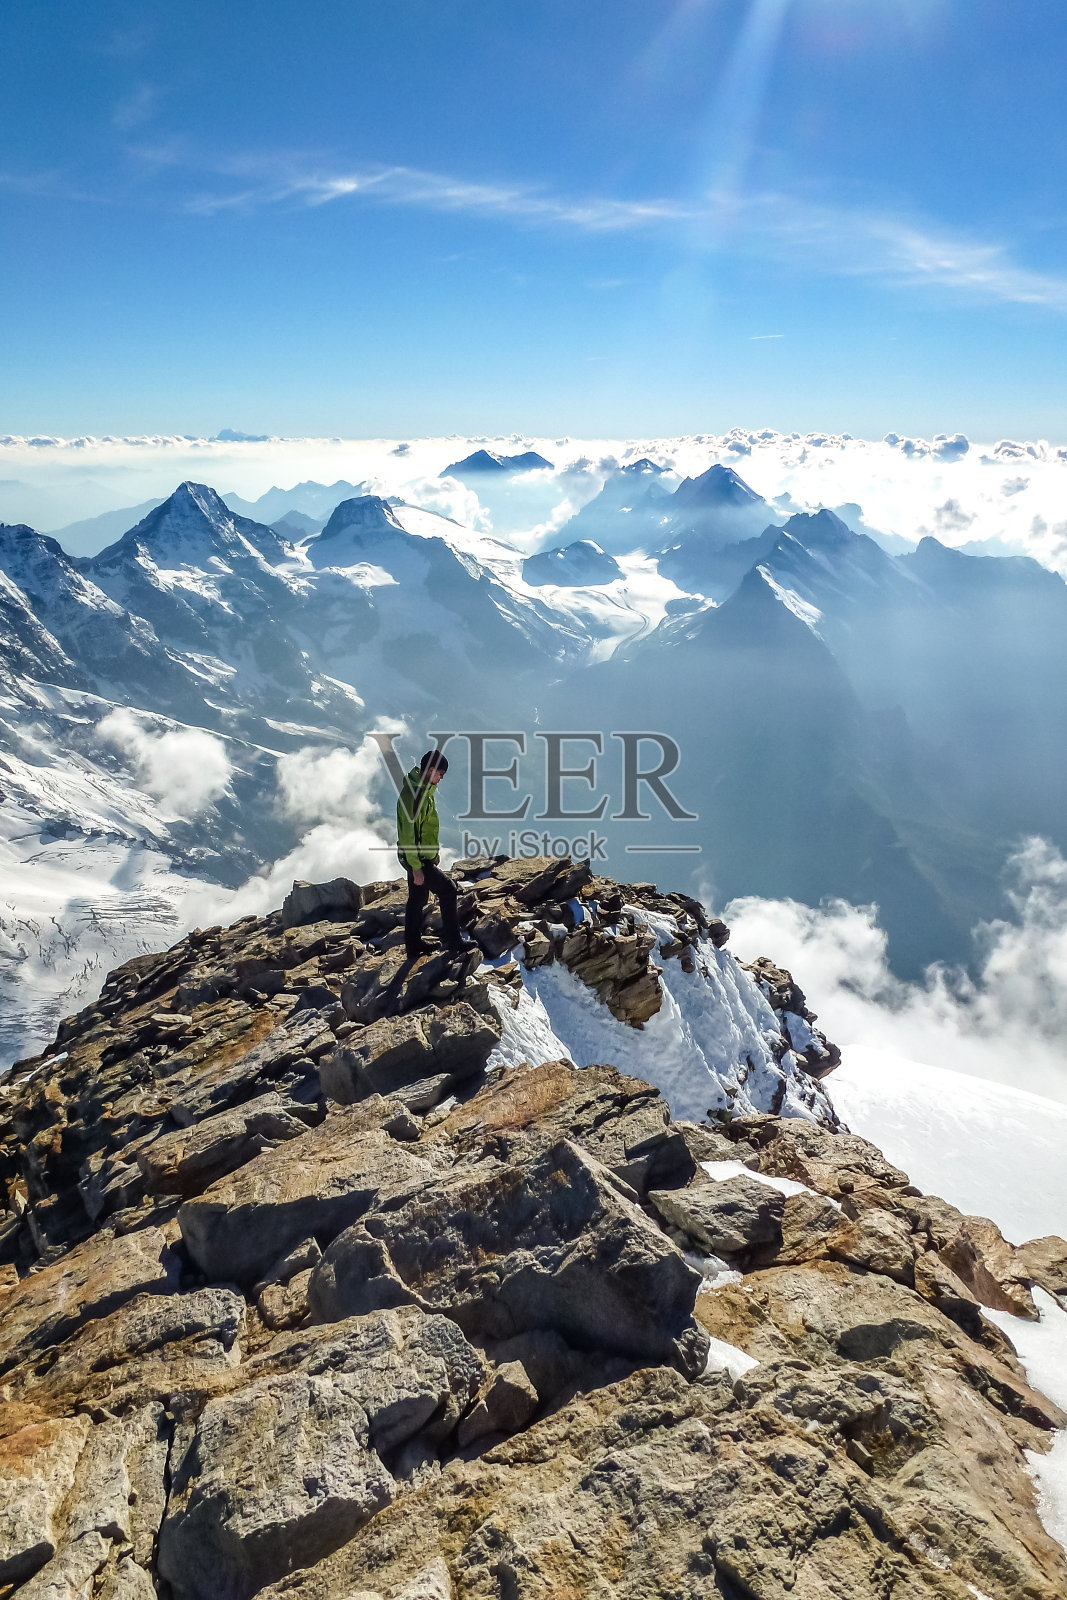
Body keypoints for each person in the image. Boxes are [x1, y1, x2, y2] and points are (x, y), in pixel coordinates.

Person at [396, 749, 468, 959]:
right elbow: (408, 834)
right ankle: (454, 942)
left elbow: (425, 828)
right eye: (440, 774)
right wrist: (417, 867)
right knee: (448, 890)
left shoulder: (424, 790)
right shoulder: (413, 795)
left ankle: (414, 946)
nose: (441, 778)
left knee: (417, 899)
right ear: (430, 770)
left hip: (419, 857)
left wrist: (431, 855)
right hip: (415, 858)